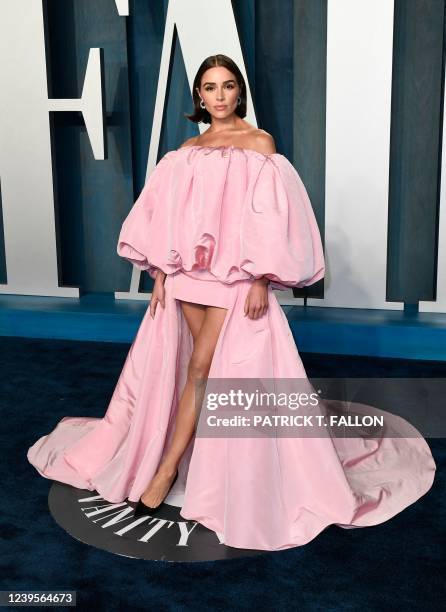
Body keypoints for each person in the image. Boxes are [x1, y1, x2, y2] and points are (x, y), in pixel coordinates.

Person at [27, 54, 436, 551]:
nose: (219, 96)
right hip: (186, 278)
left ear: (238, 93)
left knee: (200, 369)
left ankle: (165, 472)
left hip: (231, 279)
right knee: (193, 370)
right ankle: (196, 456)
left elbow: (266, 219)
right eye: (209, 88)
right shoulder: (186, 151)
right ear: (199, 97)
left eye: (227, 87)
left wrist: (262, 277)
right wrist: (159, 274)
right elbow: (169, 218)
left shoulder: (260, 145)